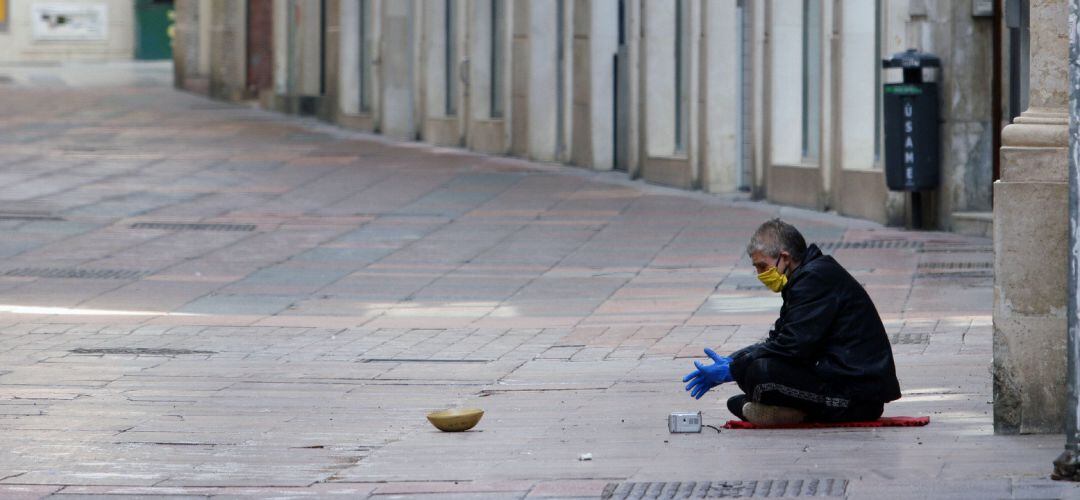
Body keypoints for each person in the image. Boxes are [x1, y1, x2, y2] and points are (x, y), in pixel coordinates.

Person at [682, 218, 901, 425]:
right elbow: (778, 339)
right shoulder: (805, 278)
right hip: (837, 380)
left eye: (762, 267)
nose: (760, 275)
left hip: (857, 396)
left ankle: (796, 413)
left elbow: (792, 347)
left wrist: (733, 369)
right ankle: (790, 412)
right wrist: (733, 360)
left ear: (784, 258)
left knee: (760, 372)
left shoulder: (814, 279)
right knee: (745, 386)